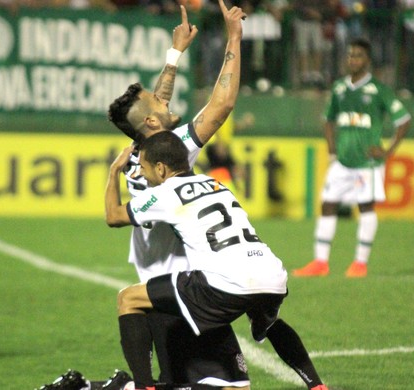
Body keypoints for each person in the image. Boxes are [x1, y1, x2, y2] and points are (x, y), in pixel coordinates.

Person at [104, 131, 329, 390]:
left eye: (143, 168)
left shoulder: (165, 193)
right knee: (268, 324)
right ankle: (316, 386)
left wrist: (113, 173)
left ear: (161, 168)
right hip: (271, 274)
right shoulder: (216, 184)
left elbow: (114, 216)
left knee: (128, 299)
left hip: (224, 282)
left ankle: (143, 387)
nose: (142, 174)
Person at [108, 2, 250, 389]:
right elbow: (222, 105)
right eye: (158, 104)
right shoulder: (174, 151)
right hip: (179, 295)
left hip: (165, 290)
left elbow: (157, 107)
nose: (165, 99)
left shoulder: (149, 150)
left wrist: (175, 54)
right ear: (152, 122)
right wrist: (234, 36)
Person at [293, 37, 411, 278]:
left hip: (367, 163)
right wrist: (332, 151)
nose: (352, 59)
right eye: (350, 55)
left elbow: (404, 120)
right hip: (342, 161)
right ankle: (320, 262)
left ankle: (360, 263)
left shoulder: (378, 90)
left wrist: (388, 151)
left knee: (365, 206)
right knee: (327, 204)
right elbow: (327, 120)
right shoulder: (339, 88)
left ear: (367, 60)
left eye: (358, 55)